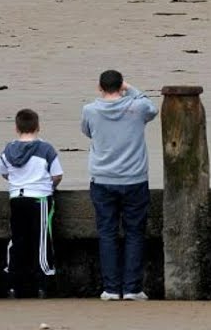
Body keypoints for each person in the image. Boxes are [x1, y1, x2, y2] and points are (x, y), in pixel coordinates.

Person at [81, 70, 157, 301]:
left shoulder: (90, 110)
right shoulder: (137, 107)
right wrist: (130, 88)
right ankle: (132, 288)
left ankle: (111, 288)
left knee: (107, 233)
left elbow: (87, 131)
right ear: (121, 85)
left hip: (103, 178)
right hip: (134, 178)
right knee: (135, 233)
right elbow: (152, 108)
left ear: (100, 87)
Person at [0, 108, 63, 299]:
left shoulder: (8, 149)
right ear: (38, 127)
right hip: (39, 198)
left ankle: (13, 282)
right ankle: (44, 283)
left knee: (17, 239)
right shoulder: (46, 149)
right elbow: (57, 175)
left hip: (16, 197)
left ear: (16, 128)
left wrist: (17, 181)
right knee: (41, 240)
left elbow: (3, 172)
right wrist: (49, 186)